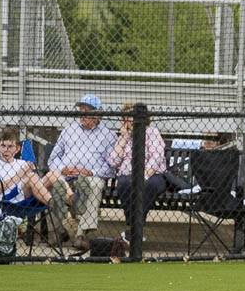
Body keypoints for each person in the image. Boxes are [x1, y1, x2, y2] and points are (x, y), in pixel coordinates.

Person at [47, 93, 116, 249]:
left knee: (95, 185)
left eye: (87, 111)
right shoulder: (69, 130)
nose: (83, 114)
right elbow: (53, 158)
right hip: (66, 174)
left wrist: (91, 172)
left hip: (90, 176)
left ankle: (81, 234)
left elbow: (111, 167)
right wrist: (62, 168)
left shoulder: (108, 135)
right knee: (55, 183)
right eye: (81, 110)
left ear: (98, 115)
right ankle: (64, 229)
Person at [108, 102, 168, 232]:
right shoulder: (124, 137)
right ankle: (134, 225)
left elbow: (156, 157)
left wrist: (144, 175)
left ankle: (134, 226)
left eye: (131, 117)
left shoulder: (152, 132)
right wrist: (124, 137)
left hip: (152, 175)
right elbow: (113, 161)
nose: (128, 120)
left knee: (148, 185)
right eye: (126, 118)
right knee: (123, 183)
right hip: (128, 175)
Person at [0, 126, 57, 208]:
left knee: (53, 175)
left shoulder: (22, 163)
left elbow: (36, 185)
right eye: (3, 146)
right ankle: (55, 205)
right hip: (6, 201)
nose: (6, 150)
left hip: (25, 197)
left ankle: (70, 201)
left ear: (17, 148)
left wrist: (31, 173)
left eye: (10, 146)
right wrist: (18, 176)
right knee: (31, 177)